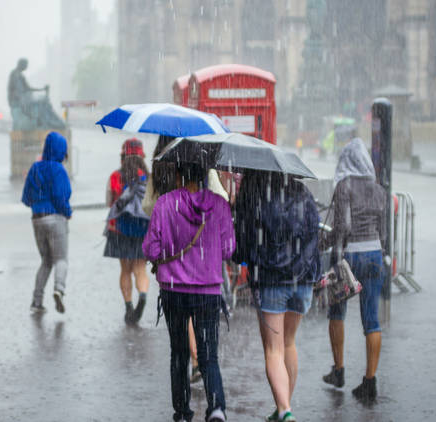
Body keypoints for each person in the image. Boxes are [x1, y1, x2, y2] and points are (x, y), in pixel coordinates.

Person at [143, 161, 235, 422]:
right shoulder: (220, 205)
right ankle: (216, 408)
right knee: (208, 355)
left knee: (179, 352)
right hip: (208, 292)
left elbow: (150, 249)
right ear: (206, 174)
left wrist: (170, 255)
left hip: (173, 290)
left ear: (180, 175)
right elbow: (228, 250)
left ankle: (182, 413)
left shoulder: (165, 203)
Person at [233, 170, 320, 422]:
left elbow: (242, 243)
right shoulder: (302, 193)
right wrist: (306, 270)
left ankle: (284, 410)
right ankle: (284, 407)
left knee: (273, 349)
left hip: (270, 280)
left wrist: (240, 255)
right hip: (301, 279)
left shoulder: (253, 195)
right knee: (289, 343)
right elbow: (314, 235)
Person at [322, 138, 387, 401]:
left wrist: (323, 243)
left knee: (336, 312)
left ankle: (338, 371)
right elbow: (383, 231)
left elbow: (342, 228)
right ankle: (369, 382)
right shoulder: (379, 189)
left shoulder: (343, 186)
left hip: (349, 257)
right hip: (374, 255)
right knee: (371, 320)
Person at [21, 132, 72, 314]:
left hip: (37, 219)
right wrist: (67, 212)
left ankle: (36, 301)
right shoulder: (58, 169)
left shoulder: (35, 168)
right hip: (55, 218)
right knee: (61, 259)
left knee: (46, 261)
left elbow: (26, 198)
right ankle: (59, 289)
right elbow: (60, 197)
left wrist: (37, 205)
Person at [104, 138, 151, 325]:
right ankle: (143, 296)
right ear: (142, 157)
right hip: (142, 228)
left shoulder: (116, 176)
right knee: (140, 269)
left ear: (123, 155)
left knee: (125, 269)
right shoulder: (148, 177)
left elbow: (109, 202)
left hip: (120, 229)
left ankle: (129, 306)